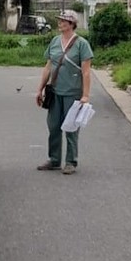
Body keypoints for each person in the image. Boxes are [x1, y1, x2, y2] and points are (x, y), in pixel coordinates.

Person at [35, 10, 94, 175]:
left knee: (71, 128)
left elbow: (86, 72)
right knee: (53, 126)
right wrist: (39, 89)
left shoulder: (82, 44)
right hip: (55, 91)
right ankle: (54, 159)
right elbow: (48, 67)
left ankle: (70, 161)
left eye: (63, 21)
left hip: (73, 92)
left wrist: (85, 95)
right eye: (59, 20)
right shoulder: (54, 41)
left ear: (71, 24)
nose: (60, 23)